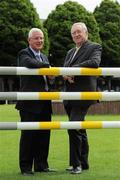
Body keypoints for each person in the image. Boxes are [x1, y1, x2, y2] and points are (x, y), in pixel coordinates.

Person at [63, 22, 102, 174]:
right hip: (69, 96)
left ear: (86, 33)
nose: (76, 35)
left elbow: (94, 63)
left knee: (73, 127)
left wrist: (73, 70)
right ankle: (84, 163)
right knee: (79, 129)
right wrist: (66, 74)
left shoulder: (94, 47)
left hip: (83, 95)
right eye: (73, 33)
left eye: (79, 32)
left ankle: (76, 164)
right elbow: (65, 68)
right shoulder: (70, 52)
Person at [15, 28, 54, 176]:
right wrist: (48, 69)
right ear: (29, 40)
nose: (40, 41)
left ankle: (41, 165)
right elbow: (30, 63)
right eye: (36, 38)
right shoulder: (24, 53)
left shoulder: (44, 57)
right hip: (29, 104)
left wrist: (52, 77)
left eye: (42, 38)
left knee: (44, 136)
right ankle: (25, 167)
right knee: (28, 137)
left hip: (45, 103)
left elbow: (49, 79)